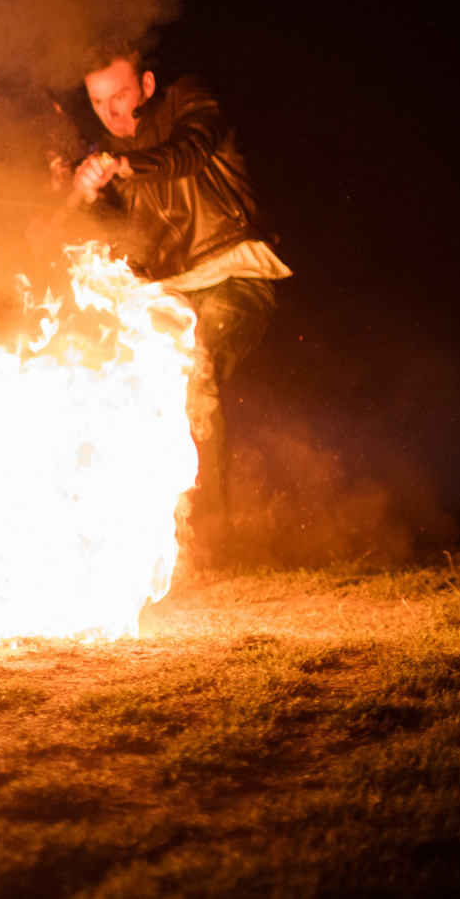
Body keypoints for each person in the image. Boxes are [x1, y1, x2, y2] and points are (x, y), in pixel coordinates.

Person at [63, 45, 292, 557]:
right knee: (120, 383)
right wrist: (78, 195)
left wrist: (123, 164)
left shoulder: (190, 99)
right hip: (170, 293)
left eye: (120, 96)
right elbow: (110, 236)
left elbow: (189, 150)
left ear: (146, 85)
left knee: (191, 373)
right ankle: (130, 533)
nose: (111, 112)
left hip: (235, 274)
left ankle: (209, 538)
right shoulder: (110, 154)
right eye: (98, 102)